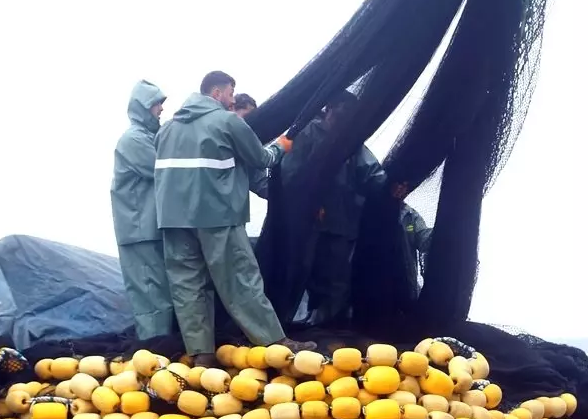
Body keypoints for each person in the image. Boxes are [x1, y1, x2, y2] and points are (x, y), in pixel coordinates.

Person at [155, 71, 313, 365]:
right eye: (230, 93)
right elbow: (262, 159)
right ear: (216, 92)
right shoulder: (227, 122)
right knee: (239, 280)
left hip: (173, 218)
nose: (231, 100)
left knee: (188, 286)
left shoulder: (167, 130)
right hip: (217, 215)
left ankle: (201, 355)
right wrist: (283, 145)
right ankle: (275, 343)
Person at [282, 90, 386, 325]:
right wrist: (307, 203)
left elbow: (371, 172)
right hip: (308, 220)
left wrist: (392, 184)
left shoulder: (352, 140)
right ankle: (291, 318)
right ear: (329, 110)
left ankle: (329, 321)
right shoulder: (308, 133)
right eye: (341, 112)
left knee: (336, 274)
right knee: (301, 268)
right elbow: (290, 173)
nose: (345, 118)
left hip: (342, 219)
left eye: (350, 115)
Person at [110, 80, 174, 340]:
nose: (161, 109)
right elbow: (165, 170)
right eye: (156, 104)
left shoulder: (149, 137)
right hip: (139, 231)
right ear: (143, 107)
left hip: (150, 228)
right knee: (150, 296)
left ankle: (164, 352)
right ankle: (154, 353)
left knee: (161, 292)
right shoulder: (133, 140)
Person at [392, 182, 432, 298]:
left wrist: (442, 228)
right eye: (398, 183)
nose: (400, 189)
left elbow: (424, 242)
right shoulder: (372, 208)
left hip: (404, 286)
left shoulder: (411, 216)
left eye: (405, 186)